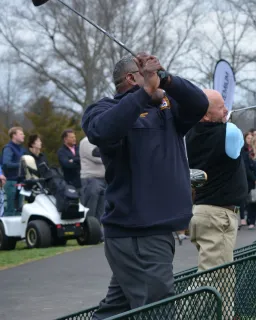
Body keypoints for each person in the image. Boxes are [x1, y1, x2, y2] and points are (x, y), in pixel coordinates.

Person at [82, 53, 209, 319]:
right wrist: (144, 93)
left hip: (155, 231)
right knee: (157, 310)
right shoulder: (103, 109)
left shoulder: (167, 109)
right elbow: (102, 131)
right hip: (137, 232)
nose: (156, 82)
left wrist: (167, 78)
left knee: (118, 310)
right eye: (147, 75)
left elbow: (199, 104)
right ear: (131, 78)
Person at [186, 89, 248, 271]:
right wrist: (226, 122)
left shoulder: (189, 134)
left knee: (225, 277)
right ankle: (180, 302)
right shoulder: (229, 132)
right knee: (210, 276)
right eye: (221, 107)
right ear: (205, 115)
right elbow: (238, 142)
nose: (226, 110)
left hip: (202, 212)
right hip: (217, 215)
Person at [79, 136, 106, 227]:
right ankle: (88, 232)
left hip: (102, 179)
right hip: (91, 179)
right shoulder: (87, 141)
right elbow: (96, 157)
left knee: (101, 211)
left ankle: (98, 234)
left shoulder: (100, 141)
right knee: (90, 210)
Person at [1, 127, 26, 216]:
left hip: (20, 182)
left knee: (19, 210)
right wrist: (22, 164)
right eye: (21, 134)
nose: (24, 135)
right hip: (11, 182)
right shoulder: (9, 148)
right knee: (10, 210)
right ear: (14, 136)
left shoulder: (22, 149)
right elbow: (6, 164)